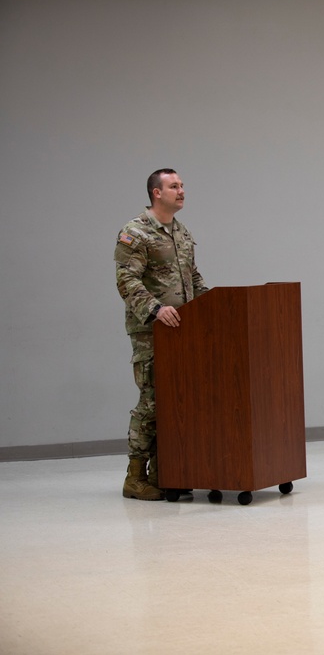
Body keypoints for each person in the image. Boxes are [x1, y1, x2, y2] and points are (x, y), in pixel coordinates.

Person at [115, 169, 209, 500]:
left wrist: (216, 308)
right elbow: (127, 280)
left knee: (178, 400)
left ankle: (165, 472)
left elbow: (193, 279)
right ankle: (136, 476)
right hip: (151, 330)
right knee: (153, 401)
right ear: (157, 193)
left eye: (182, 185)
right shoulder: (136, 232)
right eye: (174, 186)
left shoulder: (180, 232)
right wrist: (156, 309)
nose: (182, 191)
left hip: (183, 331)